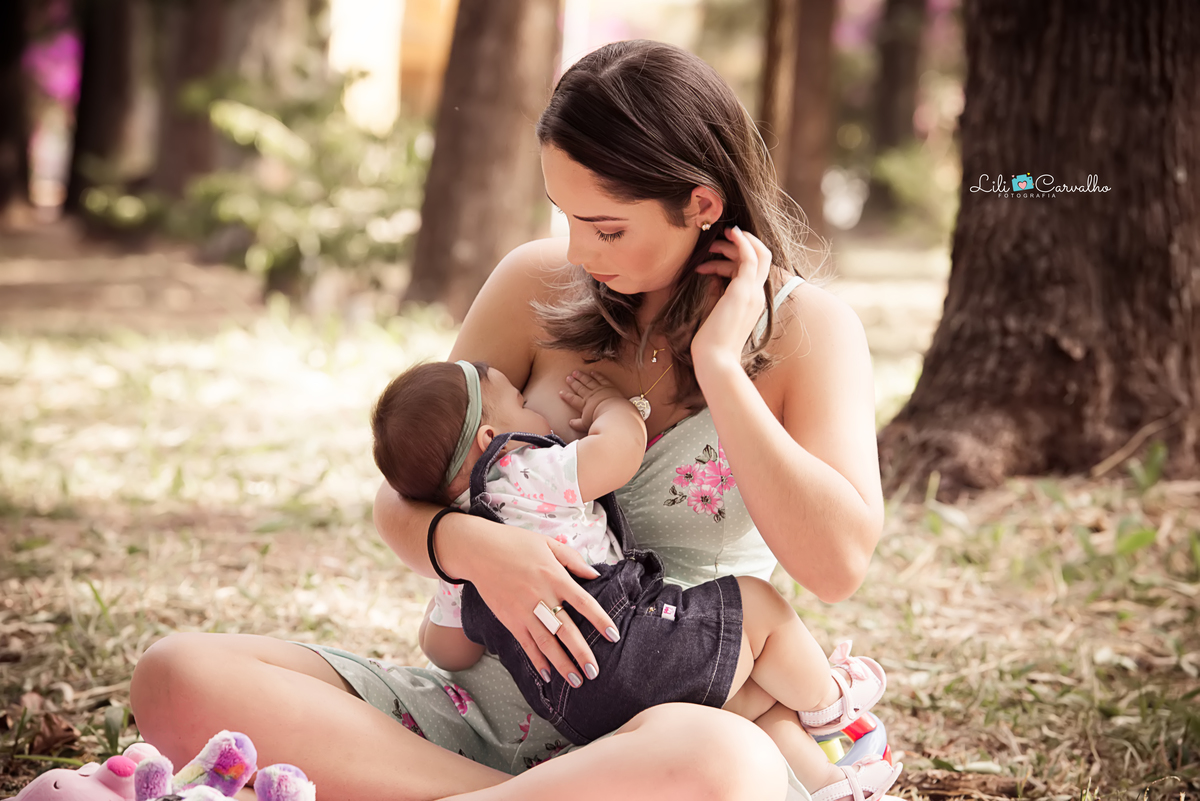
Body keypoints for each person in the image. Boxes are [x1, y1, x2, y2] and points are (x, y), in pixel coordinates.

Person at [128, 39, 886, 801]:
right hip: (471, 721)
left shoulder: (808, 333)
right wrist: (474, 547)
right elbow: (403, 494)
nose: (583, 252)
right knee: (177, 675)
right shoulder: (534, 283)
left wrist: (723, 369)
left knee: (726, 764)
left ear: (701, 204)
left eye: (609, 228)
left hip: (664, 735)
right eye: (566, 217)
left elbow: (836, 566)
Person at [371, 357, 899, 800]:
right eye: (522, 403)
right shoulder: (526, 471)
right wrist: (611, 407)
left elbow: (446, 650)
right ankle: (831, 700)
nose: (534, 410)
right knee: (757, 605)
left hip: (578, 705)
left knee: (742, 703)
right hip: (629, 641)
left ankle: (833, 786)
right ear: (493, 438)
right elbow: (618, 456)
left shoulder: (460, 557)